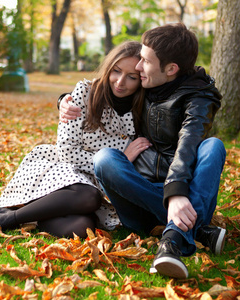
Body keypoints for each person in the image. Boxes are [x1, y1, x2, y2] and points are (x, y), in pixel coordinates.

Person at [60, 23, 226, 279]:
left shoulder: (199, 98)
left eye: (145, 62)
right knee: (105, 158)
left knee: (213, 146)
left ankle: (173, 238)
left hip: (180, 192)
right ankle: (197, 229)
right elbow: (102, 88)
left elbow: (188, 144)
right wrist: (63, 101)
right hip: (138, 199)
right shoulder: (144, 85)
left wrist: (176, 193)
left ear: (171, 69)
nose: (137, 68)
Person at [0, 41, 150, 238]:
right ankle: (1, 221)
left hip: (97, 191)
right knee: (88, 196)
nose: (120, 81)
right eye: (116, 71)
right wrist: (118, 161)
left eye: (131, 77)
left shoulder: (143, 109)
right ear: (108, 67)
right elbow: (67, 152)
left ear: (142, 79)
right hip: (63, 173)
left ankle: (9, 214)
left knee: (82, 227)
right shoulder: (85, 93)